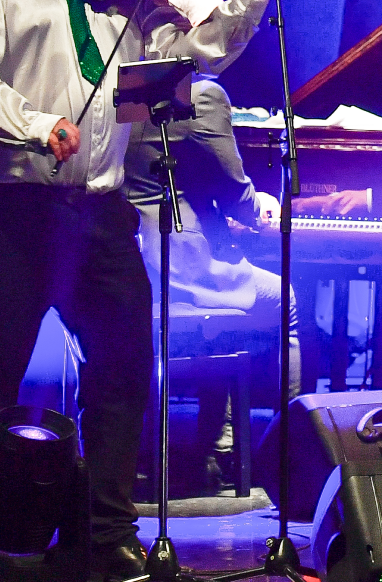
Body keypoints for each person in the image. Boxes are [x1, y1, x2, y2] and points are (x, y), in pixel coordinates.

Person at [0, 0, 272, 579]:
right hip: (9, 209)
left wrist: (247, 1)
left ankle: (103, 536)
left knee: (124, 368)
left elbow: (188, 56)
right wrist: (32, 124)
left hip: (98, 209)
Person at [123, 76, 286, 494]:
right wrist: (260, 208)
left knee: (221, 326)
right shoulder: (202, 95)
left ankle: (216, 450)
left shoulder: (118, 84)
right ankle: (285, 451)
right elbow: (234, 190)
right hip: (181, 263)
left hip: (126, 260)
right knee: (286, 300)